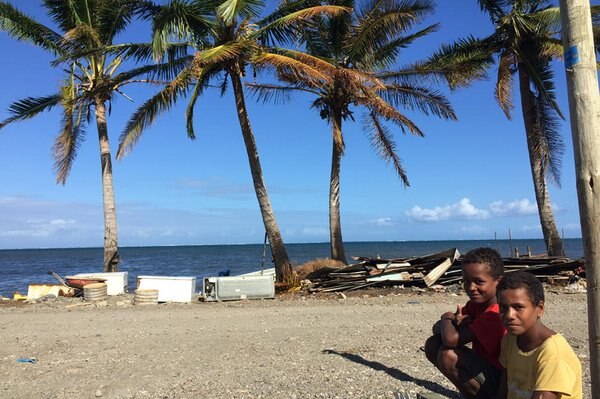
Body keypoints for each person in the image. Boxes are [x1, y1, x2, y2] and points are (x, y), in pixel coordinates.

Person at [424, 247, 506, 398]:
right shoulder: (476, 305)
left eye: (479, 282)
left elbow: (450, 339)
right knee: (433, 344)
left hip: (504, 382)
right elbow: (437, 330)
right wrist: (451, 324)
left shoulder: (496, 314)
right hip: (486, 369)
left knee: (448, 354)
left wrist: (447, 317)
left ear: (498, 282)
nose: (471, 288)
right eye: (466, 281)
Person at [495, 271, 582, 399]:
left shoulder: (552, 353)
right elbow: (503, 389)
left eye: (518, 307)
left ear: (539, 309)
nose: (509, 315)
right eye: (503, 307)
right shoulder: (510, 339)